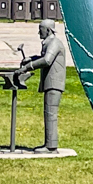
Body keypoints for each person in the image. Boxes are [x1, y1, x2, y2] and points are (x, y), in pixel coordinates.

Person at [22, 19, 69, 151]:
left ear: (48, 30)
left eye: (40, 29)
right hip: (51, 83)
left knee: (51, 114)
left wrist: (28, 67)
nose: (38, 33)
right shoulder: (49, 43)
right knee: (49, 113)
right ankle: (49, 144)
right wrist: (31, 59)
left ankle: (51, 146)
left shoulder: (54, 43)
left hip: (54, 83)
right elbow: (43, 57)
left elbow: (47, 60)